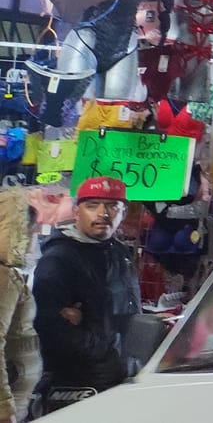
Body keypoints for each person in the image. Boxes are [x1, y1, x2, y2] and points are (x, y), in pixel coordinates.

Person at [32, 176, 138, 412]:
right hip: (77, 383)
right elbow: (49, 327)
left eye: (112, 206)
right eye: (93, 206)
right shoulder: (58, 259)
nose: (103, 213)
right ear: (76, 211)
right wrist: (102, 351)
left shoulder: (119, 252)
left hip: (120, 376)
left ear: (123, 212)